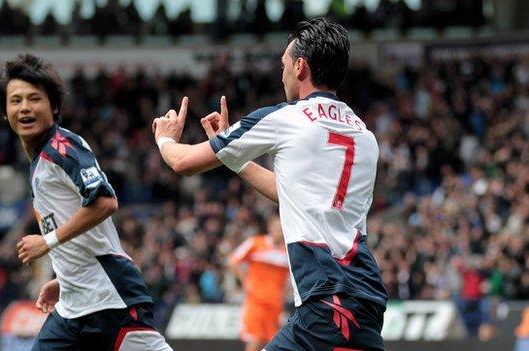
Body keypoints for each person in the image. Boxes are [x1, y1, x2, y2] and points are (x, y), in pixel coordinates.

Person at [152, 17, 387, 350]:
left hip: (327, 301)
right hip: (366, 298)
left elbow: (183, 162)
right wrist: (235, 157)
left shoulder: (287, 117)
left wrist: (164, 139)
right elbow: (290, 192)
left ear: (301, 66)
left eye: (284, 65)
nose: (283, 73)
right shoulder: (365, 135)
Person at [2, 54, 172, 351]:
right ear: (5, 112)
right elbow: (78, 230)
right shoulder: (38, 162)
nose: (25, 107)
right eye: (16, 100)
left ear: (54, 107)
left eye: (34, 99)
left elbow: (105, 202)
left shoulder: (62, 147)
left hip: (111, 301)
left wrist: (46, 242)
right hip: (71, 308)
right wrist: (64, 280)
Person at [228, 214, 289, 351]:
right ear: (270, 227)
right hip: (255, 300)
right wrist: (245, 282)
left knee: (271, 342)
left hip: (275, 303)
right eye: (276, 227)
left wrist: (286, 293)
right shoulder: (255, 243)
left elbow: (294, 276)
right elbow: (233, 260)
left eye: (281, 227)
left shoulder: (289, 251)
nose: (279, 230)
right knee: (254, 339)